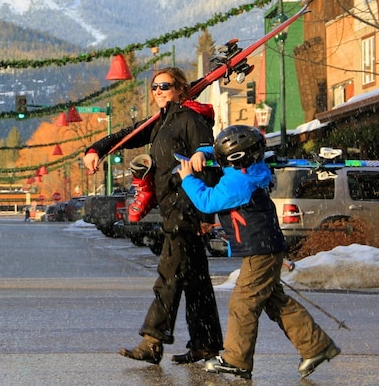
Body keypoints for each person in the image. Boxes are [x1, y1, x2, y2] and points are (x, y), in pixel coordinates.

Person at [83, 67, 223, 365]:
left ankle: (152, 340)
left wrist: (206, 213)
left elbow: (207, 156)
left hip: (187, 209)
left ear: (181, 89)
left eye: (165, 86)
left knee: (169, 275)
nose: (158, 91)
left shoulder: (191, 119)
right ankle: (205, 343)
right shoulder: (161, 121)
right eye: (155, 86)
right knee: (195, 281)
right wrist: (96, 149)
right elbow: (127, 135)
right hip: (173, 209)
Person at [179, 125, 340, 379]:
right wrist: (202, 152)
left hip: (260, 251)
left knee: (243, 302)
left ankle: (237, 360)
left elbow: (207, 202)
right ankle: (316, 346)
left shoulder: (238, 182)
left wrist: (188, 178)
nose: (218, 159)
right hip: (266, 247)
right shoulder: (250, 170)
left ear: (234, 159)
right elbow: (226, 151)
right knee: (276, 302)